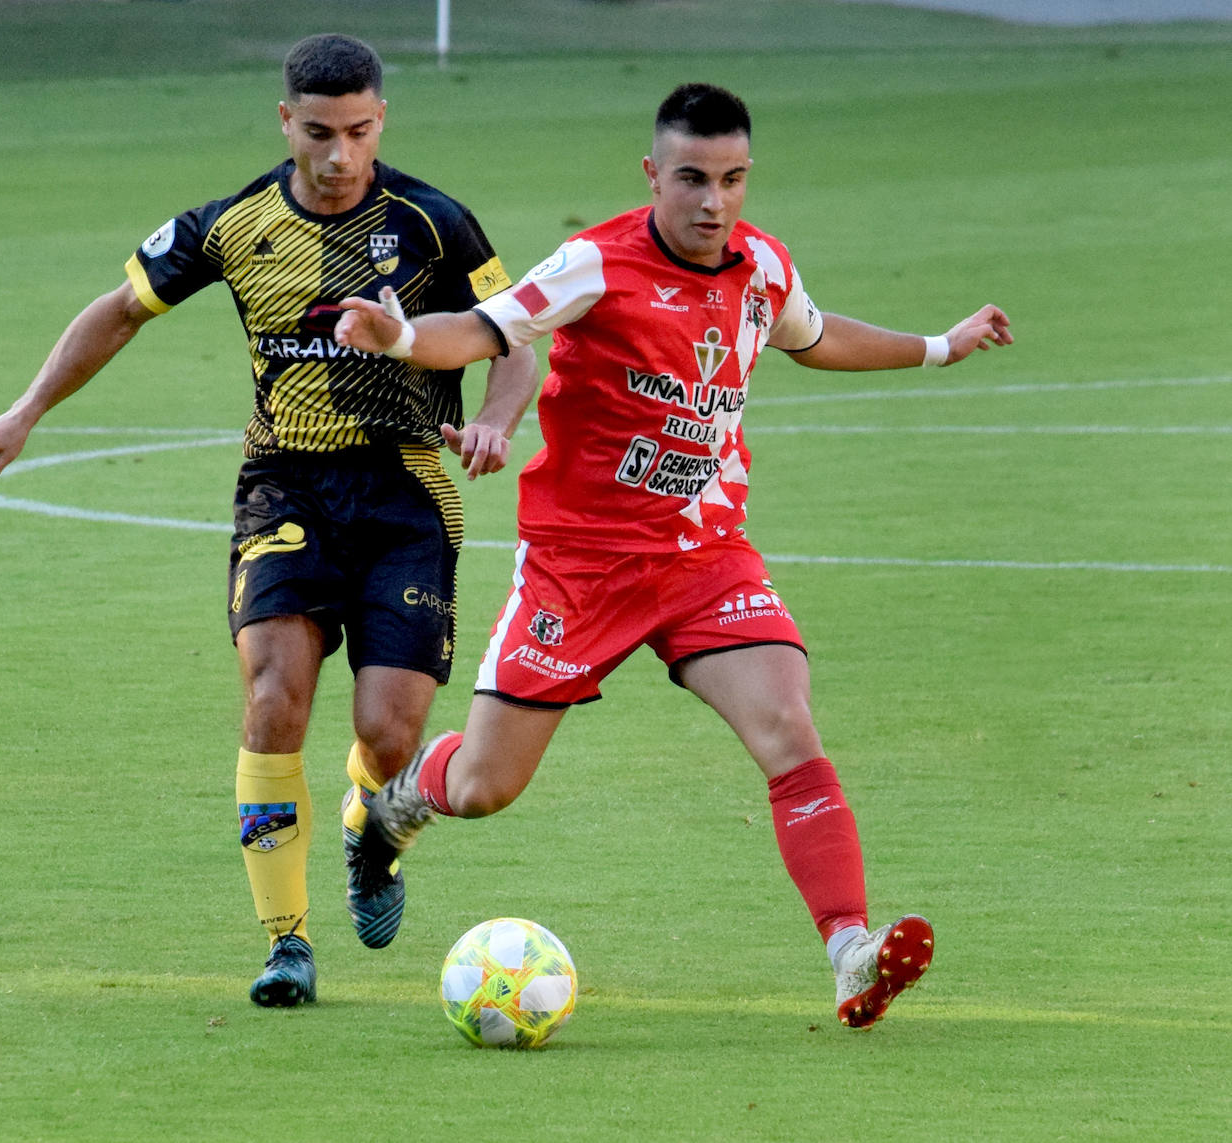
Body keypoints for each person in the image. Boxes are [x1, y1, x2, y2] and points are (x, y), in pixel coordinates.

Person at [334, 82, 1012, 1028]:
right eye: (692, 178)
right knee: (486, 786)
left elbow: (816, 338)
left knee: (789, 729)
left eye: (732, 179)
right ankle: (392, 808)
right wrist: (402, 333)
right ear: (654, 174)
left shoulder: (762, 267)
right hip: (582, 567)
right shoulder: (593, 265)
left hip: (704, 558)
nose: (713, 202)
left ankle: (851, 951)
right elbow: (485, 332)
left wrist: (942, 344)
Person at [0, 34, 540, 1008]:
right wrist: (23, 413)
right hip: (283, 490)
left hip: (406, 497)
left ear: (381, 119)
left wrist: (498, 421)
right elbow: (119, 310)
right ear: (285, 123)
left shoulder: (433, 224)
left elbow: (512, 336)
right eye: (318, 133)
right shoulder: (233, 225)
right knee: (273, 706)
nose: (339, 155)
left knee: (392, 737)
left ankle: (372, 824)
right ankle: (286, 943)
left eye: (357, 132)